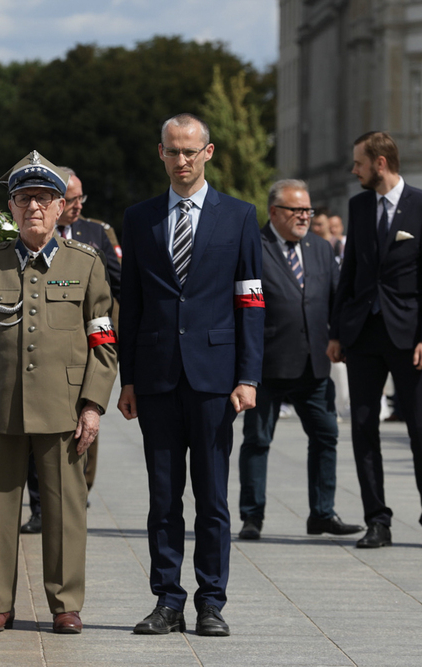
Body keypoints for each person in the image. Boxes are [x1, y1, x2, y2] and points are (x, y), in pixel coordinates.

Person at [0, 150, 118, 634]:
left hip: (64, 409)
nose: (34, 207)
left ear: (59, 206)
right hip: (1, 404)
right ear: (10, 207)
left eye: (44, 199)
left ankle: (65, 604)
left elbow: (104, 340)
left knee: (66, 512)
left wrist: (92, 405)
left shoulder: (86, 264)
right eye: (24, 198)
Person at [118, 113, 264, 637]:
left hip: (214, 379)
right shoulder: (140, 218)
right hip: (156, 377)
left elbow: (250, 299)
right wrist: (127, 378)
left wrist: (248, 375)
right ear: (160, 153)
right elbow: (130, 303)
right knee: (163, 497)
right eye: (172, 151)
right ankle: (167, 600)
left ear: (208, 152)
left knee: (212, 498)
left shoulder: (240, 216)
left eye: (190, 151)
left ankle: (211, 602)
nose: (181, 161)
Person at [237, 180, 362, 540]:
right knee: (257, 440)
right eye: (297, 210)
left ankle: (322, 514)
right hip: (265, 364)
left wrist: (339, 337)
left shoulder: (321, 249)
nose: (305, 216)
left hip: (314, 364)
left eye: (308, 210)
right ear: (274, 212)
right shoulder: (252, 248)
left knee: (326, 436)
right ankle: (252, 516)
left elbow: (338, 298)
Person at [327, 131, 422, 549]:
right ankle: (377, 521)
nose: (354, 170)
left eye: (359, 163)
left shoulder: (420, 204)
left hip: (409, 336)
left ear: (380, 163)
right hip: (362, 334)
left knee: (419, 430)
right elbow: (349, 271)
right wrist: (335, 331)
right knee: (364, 427)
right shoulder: (358, 205)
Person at [20, 166, 122, 533]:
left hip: (82, 349)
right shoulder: (18, 236)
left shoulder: (95, 235)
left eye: (81, 199)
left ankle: (80, 490)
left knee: (83, 430)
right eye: (73, 199)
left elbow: (116, 288)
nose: (78, 206)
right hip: (37, 355)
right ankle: (39, 507)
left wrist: (112, 343)